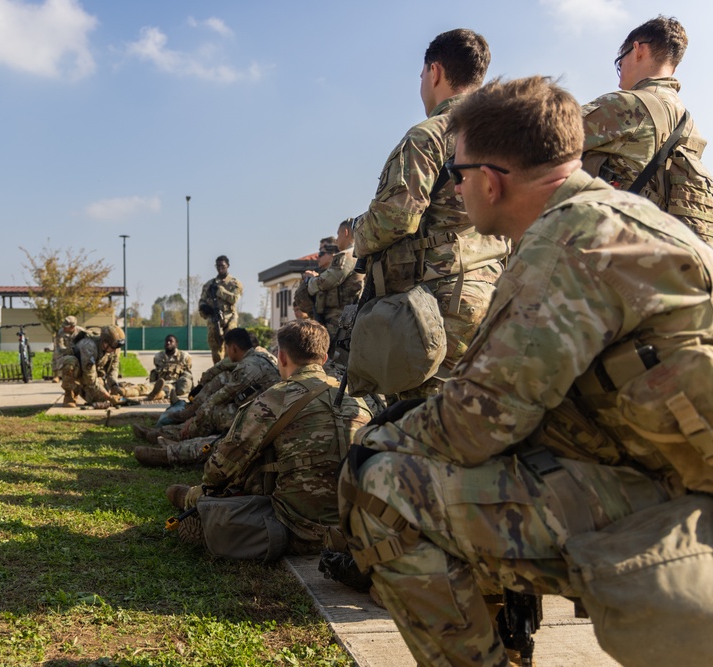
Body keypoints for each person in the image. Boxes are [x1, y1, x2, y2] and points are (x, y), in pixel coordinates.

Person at [341, 75, 713, 667]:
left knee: (383, 486)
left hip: (676, 504)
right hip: (660, 474)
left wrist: (376, 441)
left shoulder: (569, 241)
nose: (457, 190)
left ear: (490, 180)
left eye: (457, 176)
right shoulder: (613, 218)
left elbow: (474, 423)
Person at [351, 28, 509, 398]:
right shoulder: (506, 138)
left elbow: (395, 219)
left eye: (422, 74)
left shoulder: (430, 135)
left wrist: (357, 231)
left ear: (434, 72)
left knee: (421, 418)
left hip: (438, 304)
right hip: (496, 294)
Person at [165, 320, 371, 560]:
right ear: (324, 358)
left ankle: (191, 499)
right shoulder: (357, 399)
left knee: (240, 474)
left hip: (297, 531)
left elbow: (218, 471)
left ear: (281, 357)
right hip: (356, 529)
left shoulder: (273, 399)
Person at [582, 15, 713, 242]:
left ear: (638, 50)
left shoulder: (627, 105)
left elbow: (537, 137)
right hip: (659, 255)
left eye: (619, 62)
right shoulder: (690, 127)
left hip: (606, 251)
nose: (620, 73)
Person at [132, 327, 279, 465]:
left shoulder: (247, 366)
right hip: (260, 414)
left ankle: (172, 445)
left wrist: (194, 418)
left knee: (212, 415)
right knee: (217, 396)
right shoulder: (259, 358)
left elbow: (219, 398)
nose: (226, 353)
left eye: (227, 348)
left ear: (233, 347)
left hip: (259, 421)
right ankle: (171, 435)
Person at [304, 219, 363, 345]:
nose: (336, 239)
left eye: (338, 234)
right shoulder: (361, 252)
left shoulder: (346, 255)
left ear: (345, 232)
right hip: (351, 313)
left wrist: (310, 281)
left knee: (335, 357)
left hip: (339, 317)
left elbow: (327, 281)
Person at [59, 325, 126, 408]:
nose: (115, 350)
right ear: (104, 342)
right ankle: (69, 395)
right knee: (70, 362)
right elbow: (90, 378)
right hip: (79, 371)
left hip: (93, 374)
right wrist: (108, 396)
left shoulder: (114, 347)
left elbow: (113, 369)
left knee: (100, 400)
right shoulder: (89, 346)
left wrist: (114, 386)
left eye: (117, 347)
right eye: (113, 347)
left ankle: (81, 390)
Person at [199, 256, 243, 363]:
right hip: (214, 319)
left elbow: (234, 299)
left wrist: (220, 291)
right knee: (215, 348)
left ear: (227, 265)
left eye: (222, 265)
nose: (220, 268)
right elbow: (202, 301)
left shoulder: (234, 283)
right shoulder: (209, 284)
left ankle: (229, 370)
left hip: (229, 318)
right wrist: (205, 309)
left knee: (231, 345)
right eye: (217, 266)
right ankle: (218, 371)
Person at [148, 334, 193, 403]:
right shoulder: (158, 356)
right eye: (166, 341)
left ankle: (157, 394)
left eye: (171, 341)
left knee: (166, 390)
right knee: (143, 388)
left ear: (176, 344)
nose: (168, 343)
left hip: (175, 384)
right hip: (157, 384)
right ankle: (125, 391)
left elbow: (187, 374)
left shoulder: (184, 356)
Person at [51, 316, 85, 382]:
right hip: (65, 349)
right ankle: (56, 375)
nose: (64, 328)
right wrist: (66, 350)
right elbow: (60, 344)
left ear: (72, 327)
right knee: (56, 352)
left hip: (78, 350)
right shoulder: (61, 331)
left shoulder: (81, 331)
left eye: (66, 326)